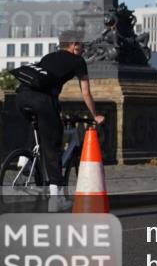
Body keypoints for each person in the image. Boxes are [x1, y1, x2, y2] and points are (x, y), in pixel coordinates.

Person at [14, 31, 104, 210]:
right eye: (82, 45)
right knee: (53, 148)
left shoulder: (49, 56)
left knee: (38, 127)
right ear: (73, 45)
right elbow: (86, 93)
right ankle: (55, 201)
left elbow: (46, 84)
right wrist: (95, 115)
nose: (84, 49)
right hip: (42, 102)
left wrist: (57, 110)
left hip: (21, 97)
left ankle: (25, 160)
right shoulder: (78, 61)